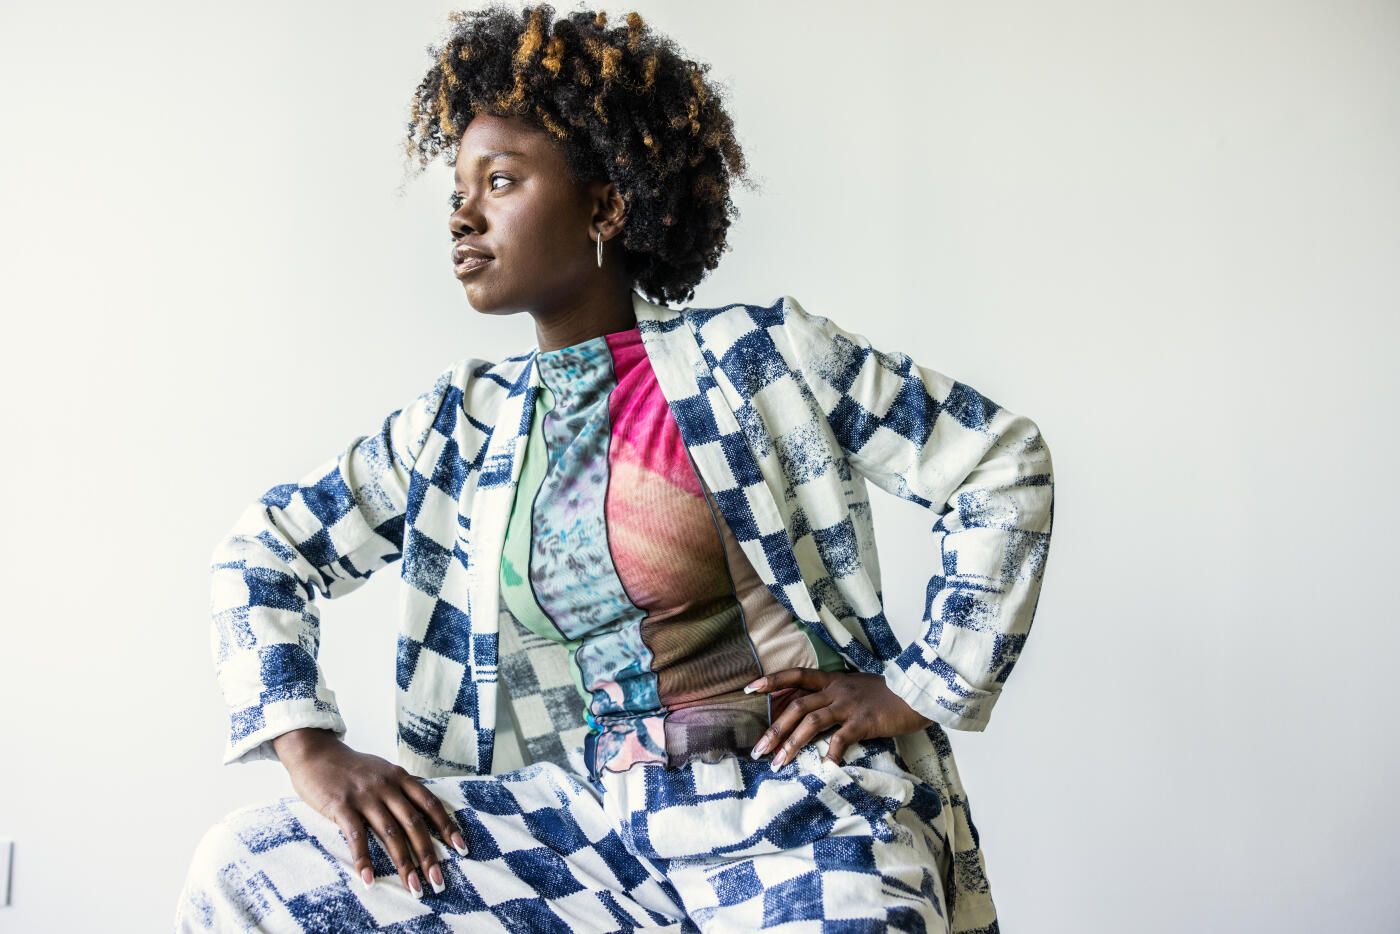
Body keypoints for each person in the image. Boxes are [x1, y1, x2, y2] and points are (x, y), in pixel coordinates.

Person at [176, 5, 1055, 932]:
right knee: (250, 867)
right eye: (456, 191)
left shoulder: (758, 358)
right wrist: (311, 750)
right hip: (591, 832)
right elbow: (264, 552)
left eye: (501, 181)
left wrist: (917, 687)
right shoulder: (459, 426)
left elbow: (1001, 466)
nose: (463, 215)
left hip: (796, 814)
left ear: (605, 206)